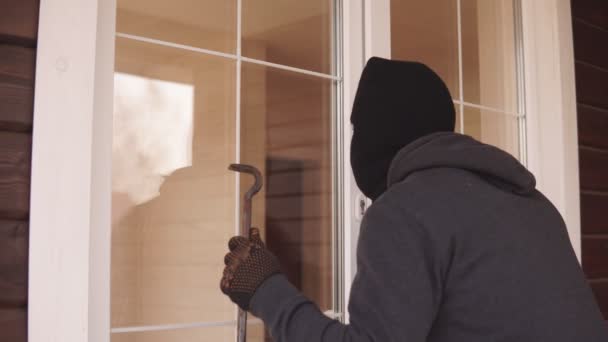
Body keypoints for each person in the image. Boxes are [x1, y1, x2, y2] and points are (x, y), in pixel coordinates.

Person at [220, 57, 608, 341]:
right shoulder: (533, 203)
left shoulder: (406, 211)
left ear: (381, 131)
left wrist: (266, 289)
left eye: (357, 128)